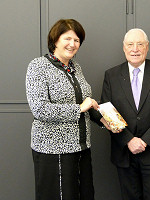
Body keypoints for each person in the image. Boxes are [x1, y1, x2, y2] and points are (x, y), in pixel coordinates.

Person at [26, 19, 108, 200]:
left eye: (77, 40)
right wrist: (79, 108)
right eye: (67, 38)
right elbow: (40, 109)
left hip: (80, 147)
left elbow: (85, 103)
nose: (72, 44)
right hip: (53, 149)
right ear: (55, 40)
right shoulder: (38, 66)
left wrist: (103, 120)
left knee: (83, 195)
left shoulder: (75, 67)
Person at [100, 28, 150, 200]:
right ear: (124, 47)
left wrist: (145, 141)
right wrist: (129, 140)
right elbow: (107, 110)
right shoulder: (111, 75)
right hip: (124, 153)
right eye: (130, 44)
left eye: (140, 44)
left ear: (147, 47)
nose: (135, 49)